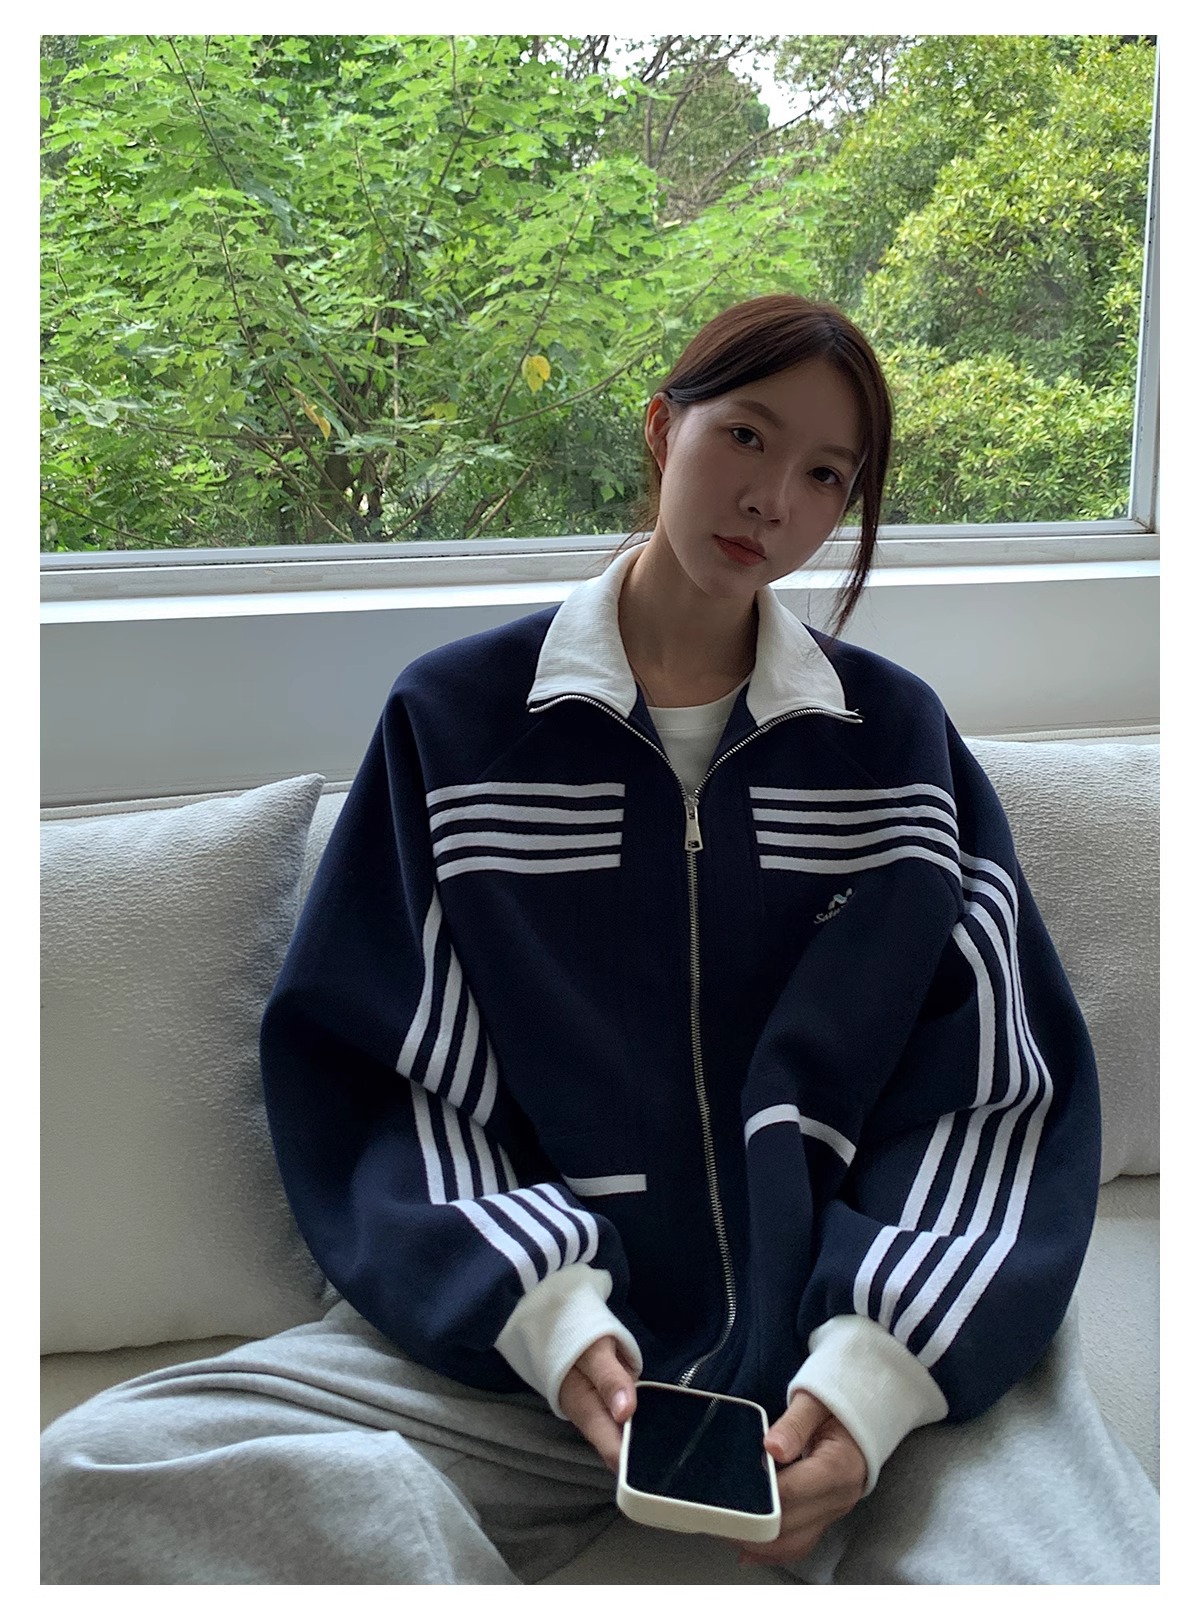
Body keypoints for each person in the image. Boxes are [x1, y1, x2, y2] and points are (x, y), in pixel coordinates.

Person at [41, 294, 1158, 1584]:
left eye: (825, 475)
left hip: (857, 1362)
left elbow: (994, 1091)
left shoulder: (897, 747)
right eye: (746, 436)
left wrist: (871, 1383)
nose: (773, 499)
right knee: (98, 1474)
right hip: (522, 1373)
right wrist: (550, 1317)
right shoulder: (455, 724)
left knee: (1085, 1579)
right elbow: (391, 1076)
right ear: (663, 428)